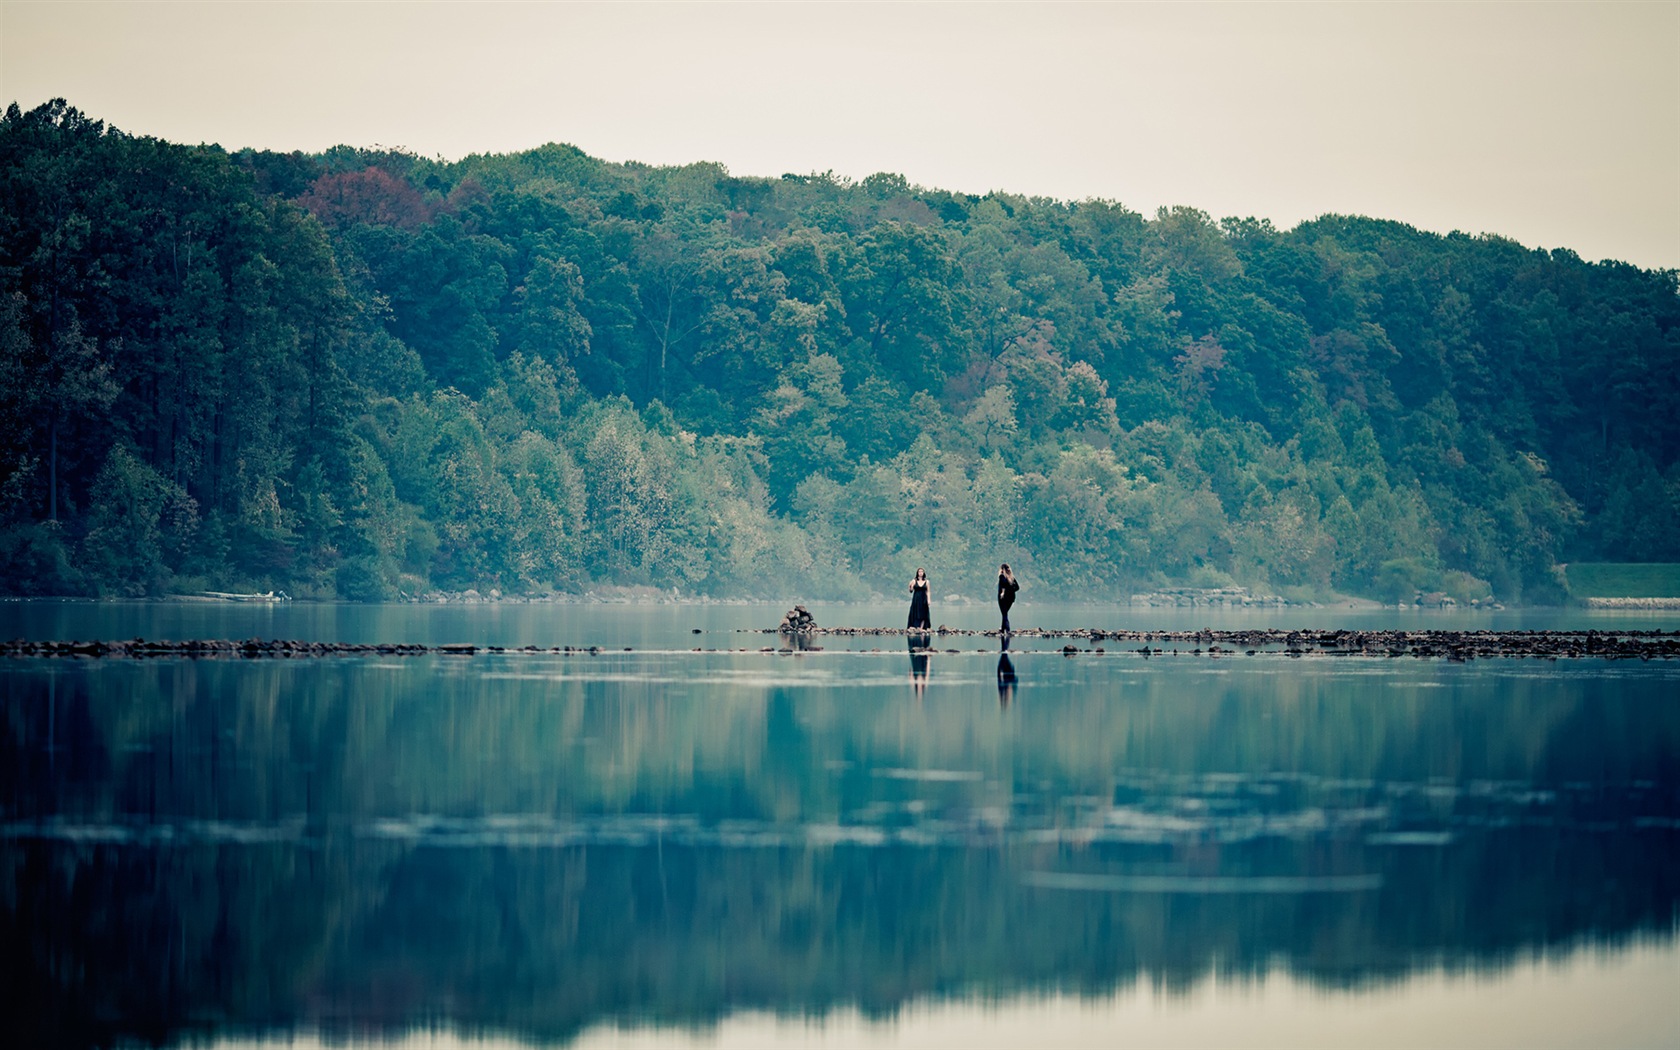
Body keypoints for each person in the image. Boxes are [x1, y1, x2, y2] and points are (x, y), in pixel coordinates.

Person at [997, 563, 1020, 632]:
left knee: (1004, 613)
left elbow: (1003, 585)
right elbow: (1017, 588)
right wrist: (1011, 590)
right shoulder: (1012, 578)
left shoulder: (1002, 576)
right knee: (1005, 613)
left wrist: (1003, 592)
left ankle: (1007, 628)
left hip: (1003, 597)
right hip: (1011, 597)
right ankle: (1003, 628)